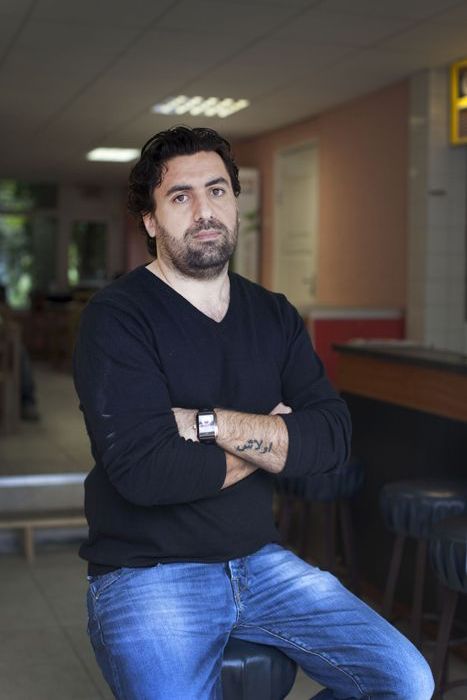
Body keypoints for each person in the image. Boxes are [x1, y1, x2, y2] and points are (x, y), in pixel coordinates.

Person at [73, 126, 434, 699]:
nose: (204, 211)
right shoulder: (116, 318)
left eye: (217, 191)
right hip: (147, 572)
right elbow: (146, 472)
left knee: (405, 681)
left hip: (260, 562)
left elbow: (331, 440)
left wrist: (206, 423)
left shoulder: (274, 314)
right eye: (180, 196)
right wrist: (274, 438)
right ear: (150, 220)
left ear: (235, 203)